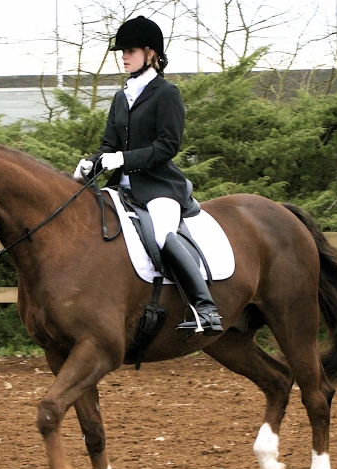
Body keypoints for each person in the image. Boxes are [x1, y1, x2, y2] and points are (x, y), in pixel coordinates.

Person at [73, 15, 223, 335]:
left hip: (159, 188)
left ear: (150, 53)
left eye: (130, 50)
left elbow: (168, 146)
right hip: (121, 190)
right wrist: (91, 162)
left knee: (162, 234)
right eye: (122, 51)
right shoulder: (120, 97)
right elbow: (108, 146)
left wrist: (123, 158)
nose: (124, 56)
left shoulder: (166, 93)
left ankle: (205, 308)